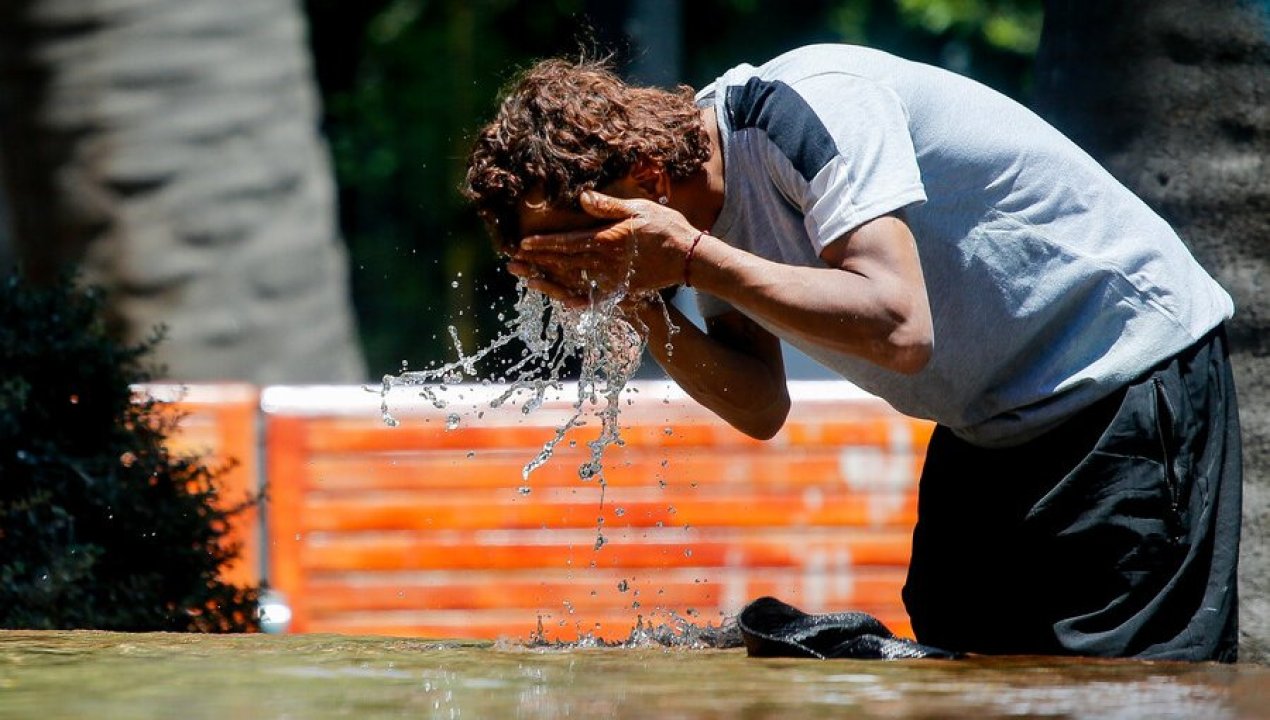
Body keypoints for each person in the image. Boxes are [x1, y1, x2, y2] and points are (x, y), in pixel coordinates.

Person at [462, 45, 1242, 662]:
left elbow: (900, 327)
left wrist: (692, 259)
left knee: (1127, 689)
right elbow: (759, 404)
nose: (591, 267)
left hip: (1125, 378)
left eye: (588, 247)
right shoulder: (696, 217)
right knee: (960, 661)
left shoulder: (804, 109)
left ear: (647, 178)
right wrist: (634, 302)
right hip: (994, 424)